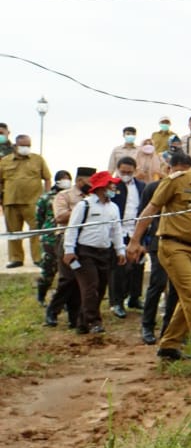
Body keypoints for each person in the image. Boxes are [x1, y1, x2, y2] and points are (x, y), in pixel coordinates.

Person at [127, 148, 191, 361]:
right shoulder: (176, 181)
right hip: (174, 246)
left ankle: (169, 344)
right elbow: (151, 209)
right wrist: (135, 240)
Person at [139, 151, 191, 344]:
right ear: (168, 169)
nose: (180, 177)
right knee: (157, 283)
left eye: (185, 173)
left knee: (178, 288)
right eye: (177, 172)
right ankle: (147, 325)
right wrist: (138, 242)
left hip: (183, 244)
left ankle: (169, 330)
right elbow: (144, 215)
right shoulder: (153, 187)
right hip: (158, 242)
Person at [63, 171, 127, 334]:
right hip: (85, 253)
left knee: (101, 287)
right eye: (110, 184)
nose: (114, 187)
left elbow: (116, 230)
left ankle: (83, 322)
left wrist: (120, 250)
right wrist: (69, 250)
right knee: (90, 287)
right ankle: (94, 321)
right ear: (101, 187)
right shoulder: (84, 205)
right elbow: (72, 228)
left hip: (104, 252)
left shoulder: (113, 208)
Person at [45, 167, 94, 328]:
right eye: (89, 181)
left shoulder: (94, 196)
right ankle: (52, 311)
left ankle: (74, 317)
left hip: (85, 241)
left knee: (81, 281)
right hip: (65, 240)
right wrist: (82, 208)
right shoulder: (64, 196)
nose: (92, 184)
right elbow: (59, 217)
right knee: (67, 279)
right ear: (80, 181)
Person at [1, 134, 52, 268]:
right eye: (23, 145)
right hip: (11, 202)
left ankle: (37, 258)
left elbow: (47, 178)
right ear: (16, 146)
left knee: (36, 231)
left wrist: (47, 196)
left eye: (28, 145)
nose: (26, 148)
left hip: (33, 202)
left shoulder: (38, 159)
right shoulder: (5, 161)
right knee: (13, 232)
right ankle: (16, 259)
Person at [108, 157, 147, 318]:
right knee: (119, 268)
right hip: (118, 232)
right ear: (117, 169)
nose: (125, 175)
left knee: (138, 265)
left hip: (136, 232)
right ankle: (117, 302)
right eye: (122, 172)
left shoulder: (142, 187)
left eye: (129, 172)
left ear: (135, 170)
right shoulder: (112, 186)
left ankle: (134, 298)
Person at [34, 170, 71, 304]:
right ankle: (41, 295)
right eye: (63, 179)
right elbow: (39, 217)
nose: (66, 181)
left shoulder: (70, 196)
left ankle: (65, 300)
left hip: (64, 237)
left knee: (66, 272)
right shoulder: (46, 198)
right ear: (57, 181)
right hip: (49, 238)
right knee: (48, 269)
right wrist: (43, 232)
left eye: (68, 178)